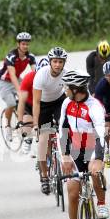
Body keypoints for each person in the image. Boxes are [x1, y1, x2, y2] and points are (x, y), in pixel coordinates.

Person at [58, 70, 108, 219]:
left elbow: (101, 134)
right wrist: (65, 156)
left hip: (94, 146)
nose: (64, 90)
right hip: (75, 150)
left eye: (66, 86)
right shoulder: (66, 103)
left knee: (94, 173)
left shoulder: (94, 106)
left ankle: (101, 203)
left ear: (75, 88)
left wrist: (98, 159)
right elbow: (62, 130)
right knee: (72, 192)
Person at [32, 47, 68, 195]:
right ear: (50, 62)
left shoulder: (66, 75)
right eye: (55, 61)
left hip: (59, 102)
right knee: (43, 140)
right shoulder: (41, 75)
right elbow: (36, 102)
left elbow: (69, 98)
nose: (58, 65)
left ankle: (65, 158)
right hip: (44, 104)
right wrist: (35, 125)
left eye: (60, 62)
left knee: (65, 128)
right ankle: (45, 177)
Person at [0, 32, 36, 141]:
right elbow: (12, 75)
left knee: (30, 97)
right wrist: (19, 90)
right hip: (5, 81)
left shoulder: (30, 56)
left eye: (27, 44)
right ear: (18, 44)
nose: (25, 46)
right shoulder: (11, 56)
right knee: (11, 103)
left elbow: (35, 72)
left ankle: (26, 120)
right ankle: (8, 126)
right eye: (23, 44)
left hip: (17, 79)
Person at [17, 57, 49, 154]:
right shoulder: (28, 78)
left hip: (45, 105)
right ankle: (28, 140)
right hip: (30, 105)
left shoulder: (53, 79)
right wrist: (20, 120)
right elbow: (22, 101)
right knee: (27, 126)